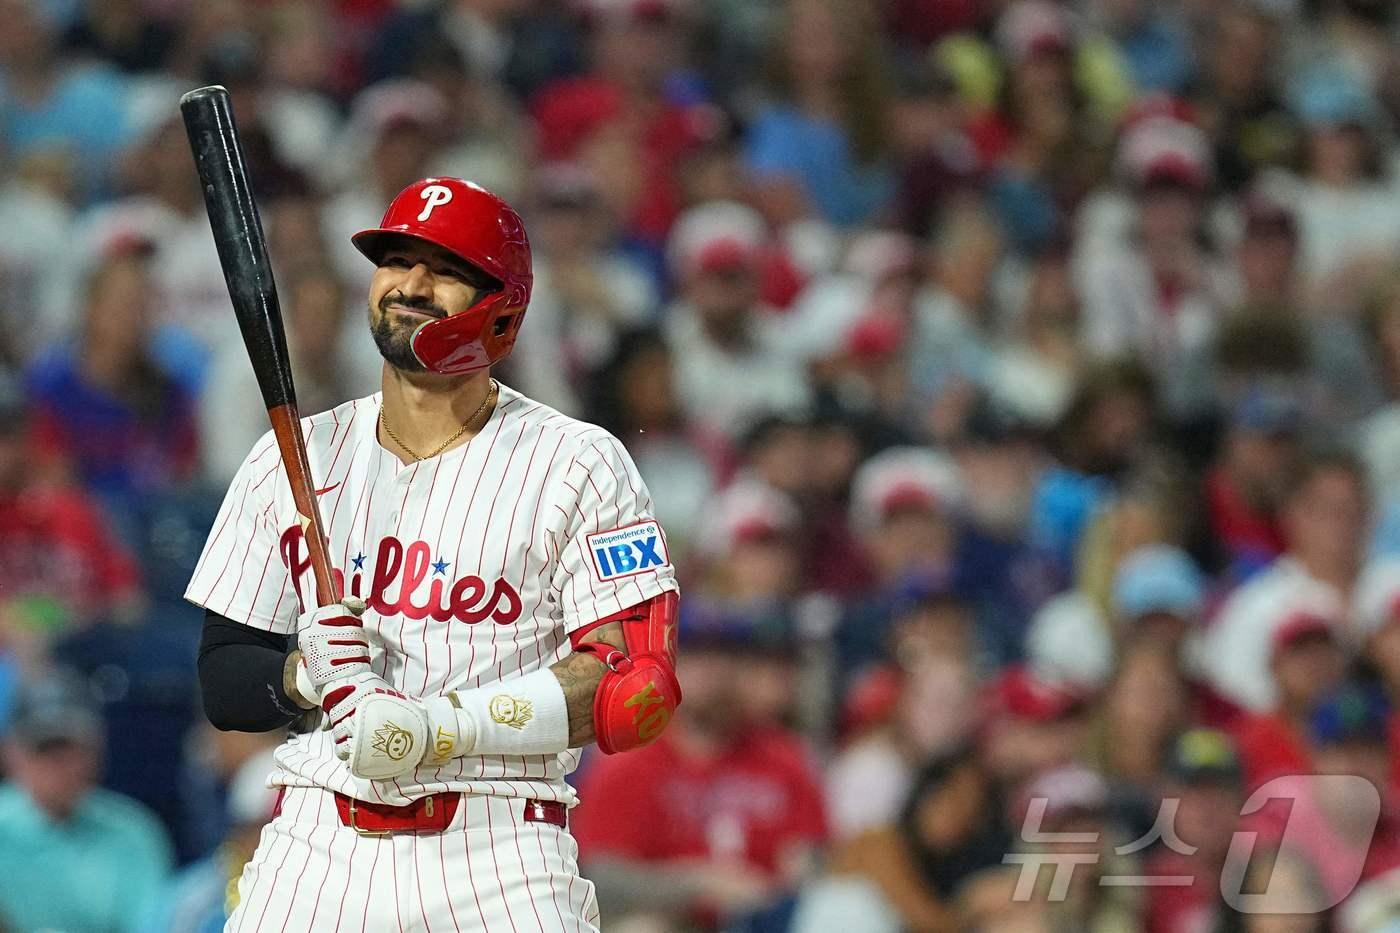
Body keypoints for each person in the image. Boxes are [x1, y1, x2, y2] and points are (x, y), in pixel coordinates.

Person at [189, 177, 681, 930]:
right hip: (315, 844)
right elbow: (224, 678)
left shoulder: (577, 461)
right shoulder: (293, 455)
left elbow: (635, 689)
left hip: (498, 848)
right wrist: (303, 674)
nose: (411, 286)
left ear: (503, 307)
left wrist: (439, 728)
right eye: (396, 261)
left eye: (446, 270)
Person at [571, 615, 826, 932]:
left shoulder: (783, 758)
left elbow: (811, 858)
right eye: (697, 661)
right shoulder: (630, 760)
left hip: (767, 919)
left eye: (726, 661)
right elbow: (599, 877)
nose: (715, 677)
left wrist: (799, 875)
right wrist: (695, 884)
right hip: (674, 921)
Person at [0, 673, 173, 932]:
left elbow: (151, 924)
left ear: (97, 751)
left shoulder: (132, 831)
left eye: (70, 748)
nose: (59, 765)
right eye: (44, 749)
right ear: (12, 754)